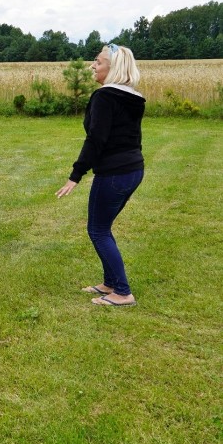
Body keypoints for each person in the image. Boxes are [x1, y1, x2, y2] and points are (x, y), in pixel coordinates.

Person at [56, 44, 145, 307]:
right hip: (133, 170)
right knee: (103, 228)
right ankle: (110, 282)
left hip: (115, 174)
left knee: (97, 229)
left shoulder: (104, 96)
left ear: (113, 68)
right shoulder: (135, 97)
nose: (93, 66)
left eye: (98, 61)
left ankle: (123, 292)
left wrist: (76, 174)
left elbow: (96, 139)